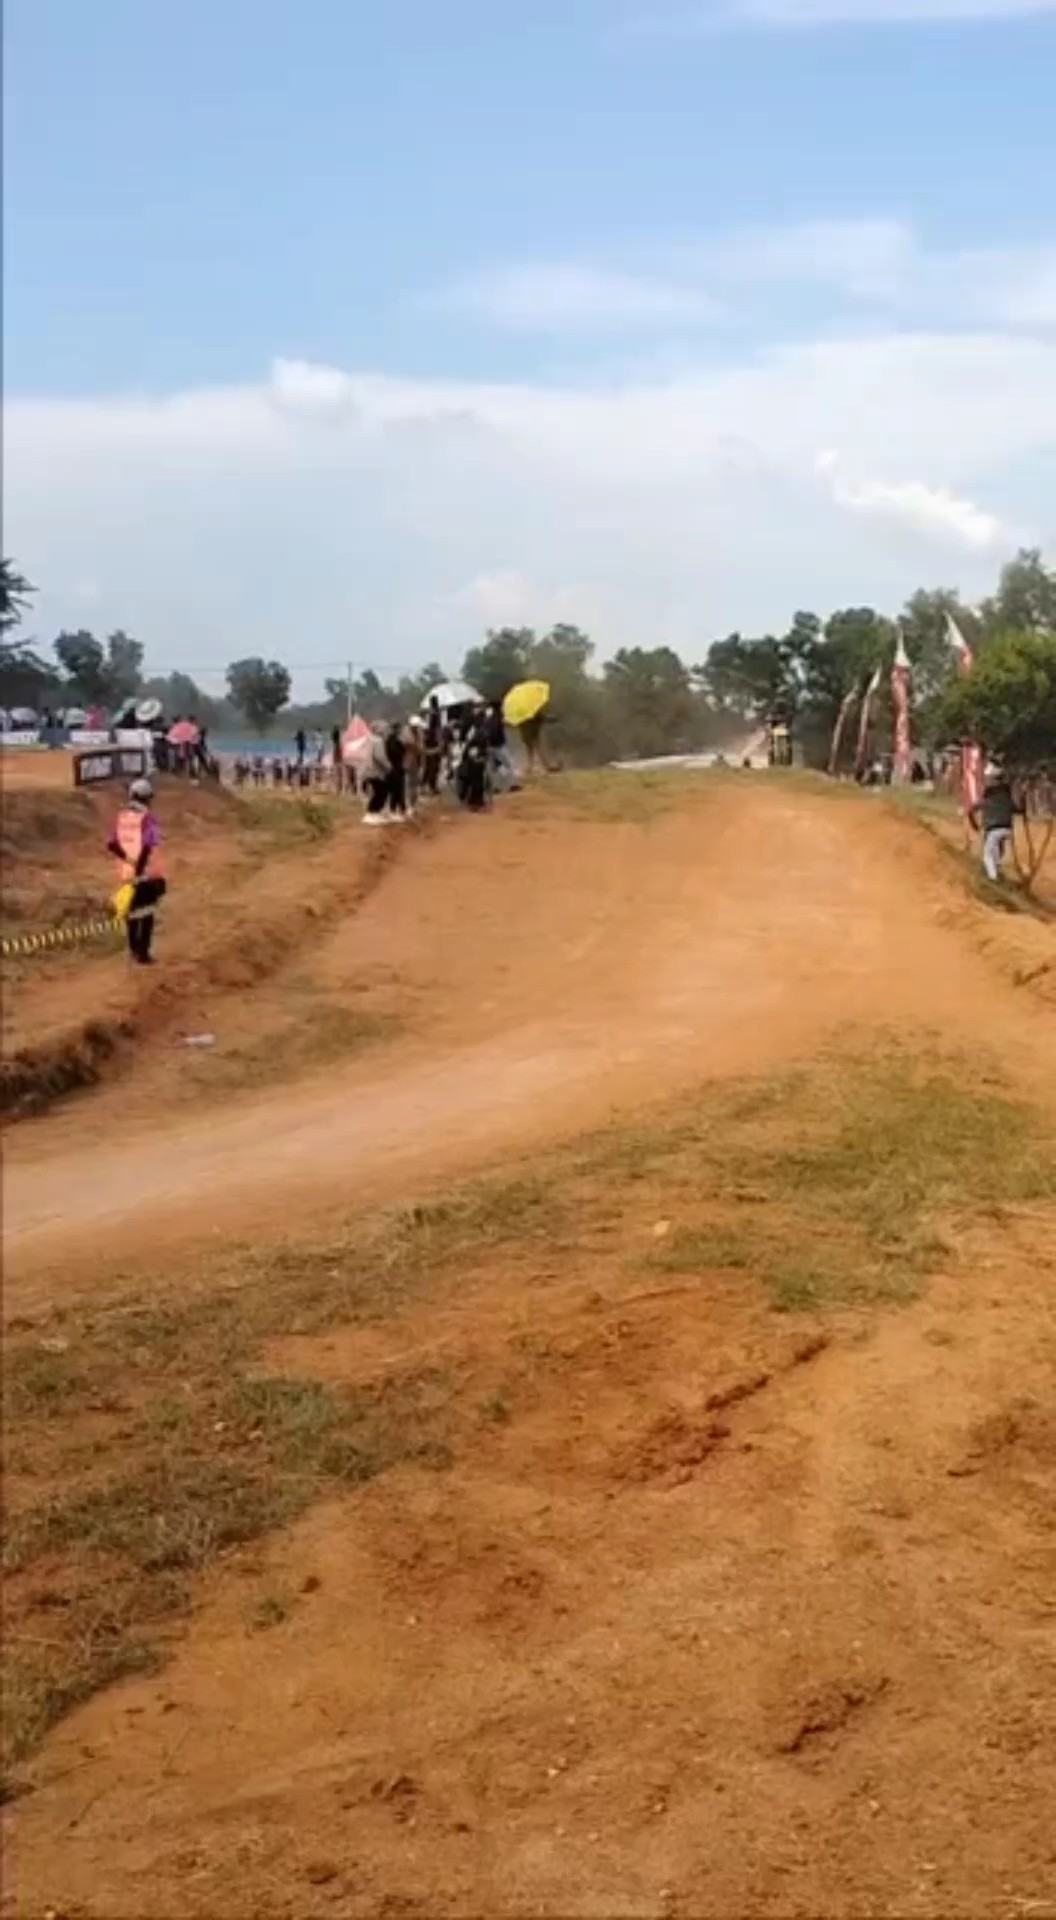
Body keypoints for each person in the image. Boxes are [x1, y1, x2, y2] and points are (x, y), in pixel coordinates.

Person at [108, 778, 166, 966]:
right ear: (146, 798)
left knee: (131, 910)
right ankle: (143, 953)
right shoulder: (147, 818)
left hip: (125, 871)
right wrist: (142, 867)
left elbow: (111, 844)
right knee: (147, 911)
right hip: (143, 871)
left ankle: (133, 950)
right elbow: (150, 845)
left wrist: (127, 859)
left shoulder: (122, 816)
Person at [971, 767, 1022, 883]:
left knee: (987, 855)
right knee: (997, 849)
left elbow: (971, 810)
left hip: (993, 829)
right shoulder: (1006, 797)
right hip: (1007, 828)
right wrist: (1022, 805)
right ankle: (997, 868)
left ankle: (993, 879)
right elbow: (1018, 810)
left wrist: (975, 825)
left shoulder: (987, 798)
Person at [360, 723, 392, 824]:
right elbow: (380, 757)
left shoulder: (368, 740)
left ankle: (375, 813)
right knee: (381, 792)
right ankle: (372, 813)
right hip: (375, 771)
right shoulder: (378, 741)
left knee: (378, 792)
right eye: (384, 729)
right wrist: (388, 766)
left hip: (367, 770)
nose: (385, 731)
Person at [486, 703, 518, 792]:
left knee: (494, 768)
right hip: (499, 746)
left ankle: (495, 787)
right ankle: (512, 784)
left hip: (489, 746)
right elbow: (498, 732)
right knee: (508, 765)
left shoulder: (488, 719)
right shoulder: (498, 719)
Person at [385, 716, 408, 818]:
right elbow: (396, 752)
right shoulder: (392, 740)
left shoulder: (393, 740)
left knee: (398, 790)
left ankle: (398, 809)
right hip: (394, 767)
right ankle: (398, 809)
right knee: (397, 790)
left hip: (397, 767)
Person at [422, 696, 443, 795]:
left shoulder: (428, 714)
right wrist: (440, 742)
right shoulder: (435, 714)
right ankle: (431, 786)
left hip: (428, 742)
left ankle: (426, 785)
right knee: (433, 766)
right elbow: (437, 730)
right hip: (433, 743)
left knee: (429, 765)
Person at [404, 717, 423, 813]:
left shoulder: (418, 734)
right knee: (408, 784)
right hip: (407, 762)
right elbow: (411, 745)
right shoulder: (406, 733)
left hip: (415, 761)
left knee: (415, 784)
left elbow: (420, 748)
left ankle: (413, 803)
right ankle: (408, 805)